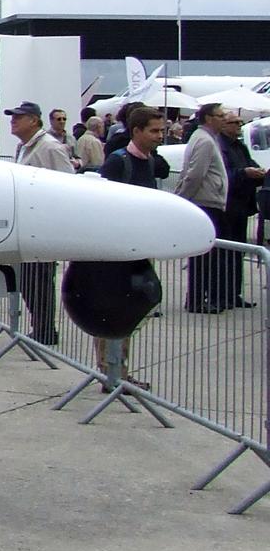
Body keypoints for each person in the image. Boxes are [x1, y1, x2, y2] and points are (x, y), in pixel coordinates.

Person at [96, 106, 169, 387]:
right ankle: (111, 372)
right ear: (136, 131)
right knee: (114, 311)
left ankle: (117, 371)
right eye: (153, 131)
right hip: (118, 251)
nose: (159, 136)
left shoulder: (149, 161)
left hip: (140, 249)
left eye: (161, 131)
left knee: (134, 310)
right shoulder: (118, 162)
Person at [8, 101, 71, 345]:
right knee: (28, 280)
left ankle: (45, 328)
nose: (13, 121)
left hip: (42, 223)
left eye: (18, 117)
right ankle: (40, 325)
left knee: (39, 279)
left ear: (34, 120)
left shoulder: (50, 148)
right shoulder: (23, 147)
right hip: (27, 222)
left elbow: (67, 183)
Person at [175, 103, 229, 313]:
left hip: (209, 200)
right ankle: (197, 299)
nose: (224, 119)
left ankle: (201, 297)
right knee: (204, 257)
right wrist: (183, 200)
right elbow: (195, 174)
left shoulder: (208, 139)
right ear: (208, 118)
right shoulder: (204, 141)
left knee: (208, 256)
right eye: (220, 115)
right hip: (206, 202)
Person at [215, 109, 264, 308]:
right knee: (225, 251)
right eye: (234, 122)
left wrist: (259, 172)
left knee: (238, 251)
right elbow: (223, 174)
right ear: (224, 125)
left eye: (239, 122)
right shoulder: (220, 146)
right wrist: (244, 173)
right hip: (227, 204)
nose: (238, 126)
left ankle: (233, 292)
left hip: (241, 205)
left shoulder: (239, 146)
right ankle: (221, 293)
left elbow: (250, 164)